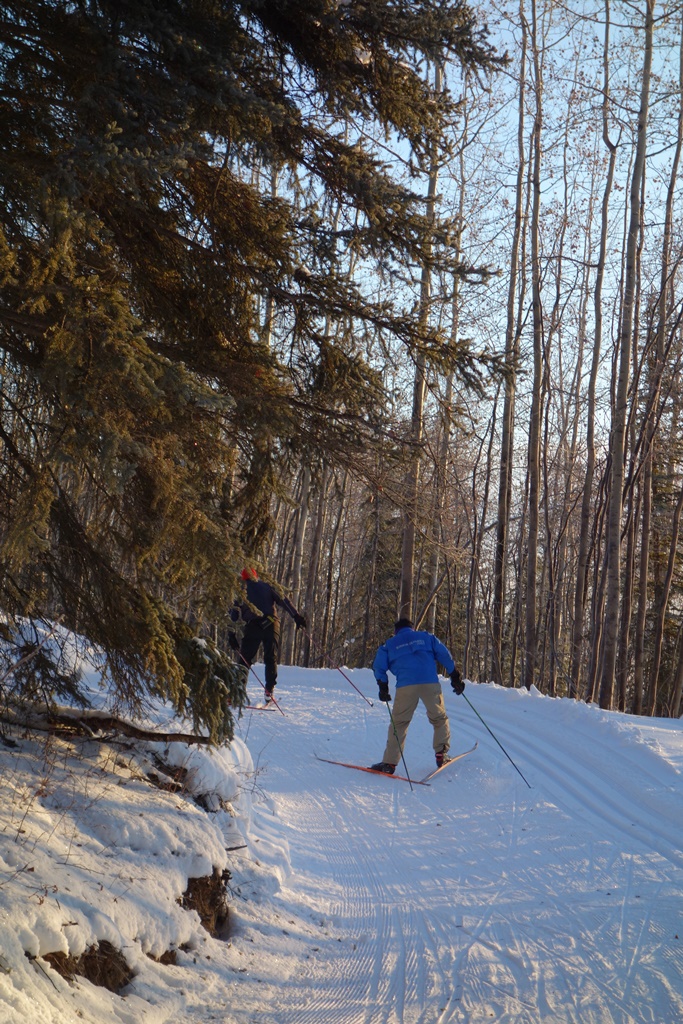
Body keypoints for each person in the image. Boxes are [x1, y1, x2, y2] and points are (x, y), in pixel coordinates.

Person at [369, 617, 465, 774]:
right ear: (412, 628)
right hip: (430, 682)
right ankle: (441, 754)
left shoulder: (389, 644)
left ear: (395, 631)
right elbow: (444, 654)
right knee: (439, 719)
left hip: (405, 685)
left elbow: (379, 666)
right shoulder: (426, 637)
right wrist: (454, 675)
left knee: (399, 724)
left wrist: (383, 686)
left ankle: (389, 763)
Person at [229, 568, 306, 701]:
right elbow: (284, 600)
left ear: (243, 579)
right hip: (271, 624)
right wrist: (296, 616)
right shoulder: (267, 586)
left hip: (253, 626)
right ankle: (269, 691)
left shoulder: (241, 592)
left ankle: (236, 693)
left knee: (245, 660)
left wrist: (231, 635)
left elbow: (233, 615)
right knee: (271, 658)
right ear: (256, 576)